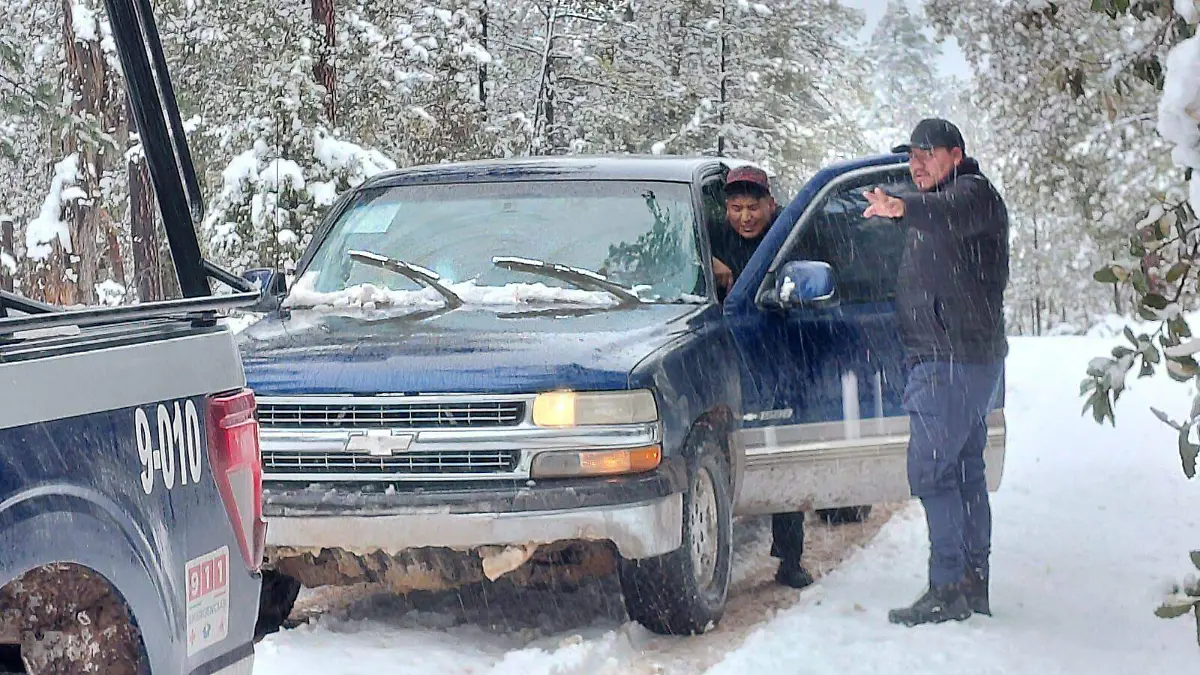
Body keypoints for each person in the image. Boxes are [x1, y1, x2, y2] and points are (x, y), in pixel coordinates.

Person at [862, 118, 1009, 626]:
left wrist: (904, 205)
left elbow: (948, 210)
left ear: (955, 153)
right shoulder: (938, 208)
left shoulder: (973, 196)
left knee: (930, 471)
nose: (917, 163)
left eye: (928, 153)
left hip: (952, 359)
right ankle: (971, 583)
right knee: (965, 470)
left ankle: (949, 585)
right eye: (911, 156)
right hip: (953, 358)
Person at [709, 165, 815, 590]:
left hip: (781, 355)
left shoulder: (789, 234)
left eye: (754, 207)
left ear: (771, 204)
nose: (745, 217)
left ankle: (790, 557)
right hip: (728, 359)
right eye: (736, 208)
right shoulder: (709, 239)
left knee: (781, 450)